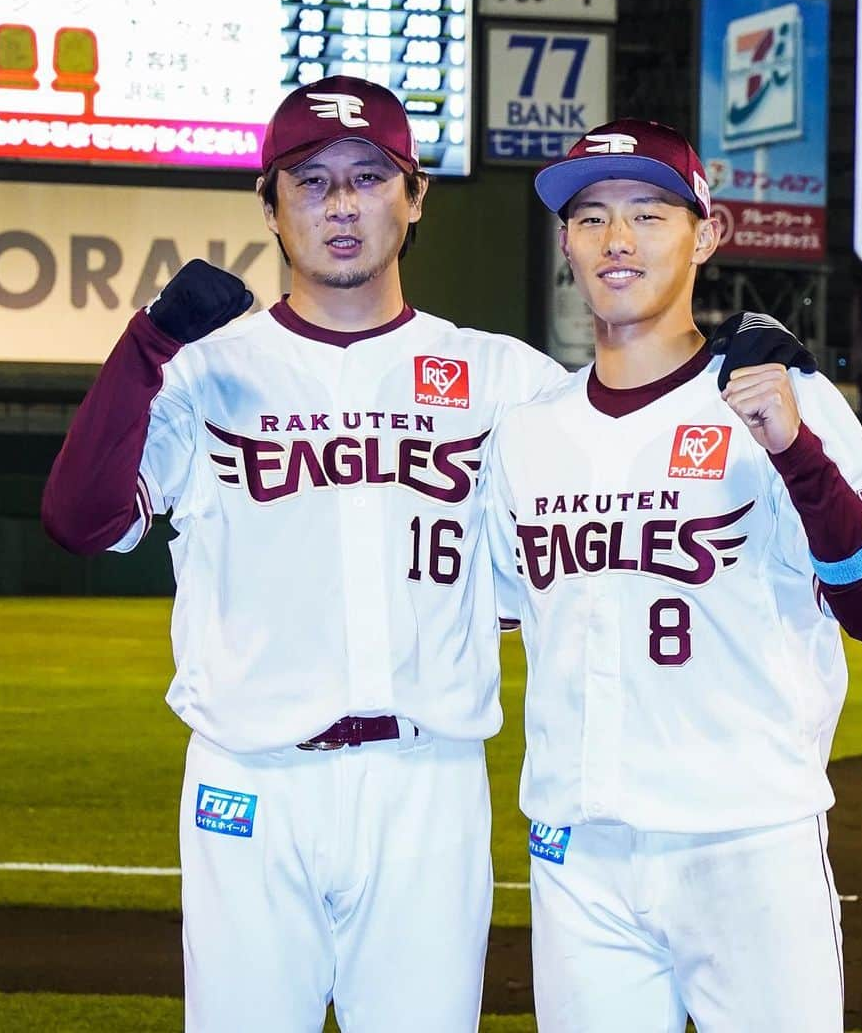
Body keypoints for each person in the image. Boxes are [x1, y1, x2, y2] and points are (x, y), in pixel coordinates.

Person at [40, 75, 571, 1033]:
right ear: (272, 209)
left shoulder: (506, 379)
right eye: (311, 180)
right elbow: (81, 521)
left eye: (369, 177)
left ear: (414, 200)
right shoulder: (204, 370)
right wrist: (146, 345)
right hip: (250, 783)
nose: (340, 204)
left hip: (427, 781)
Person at [485, 119, 862, 1032]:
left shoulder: (781, 396)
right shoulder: (529, 433)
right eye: (591, 216)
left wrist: (796, 453)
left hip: (746, 840)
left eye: (649, 213)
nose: (617, 240)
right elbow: (485, 613)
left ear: (708, 232)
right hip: (579, 855)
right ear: (564, 240)